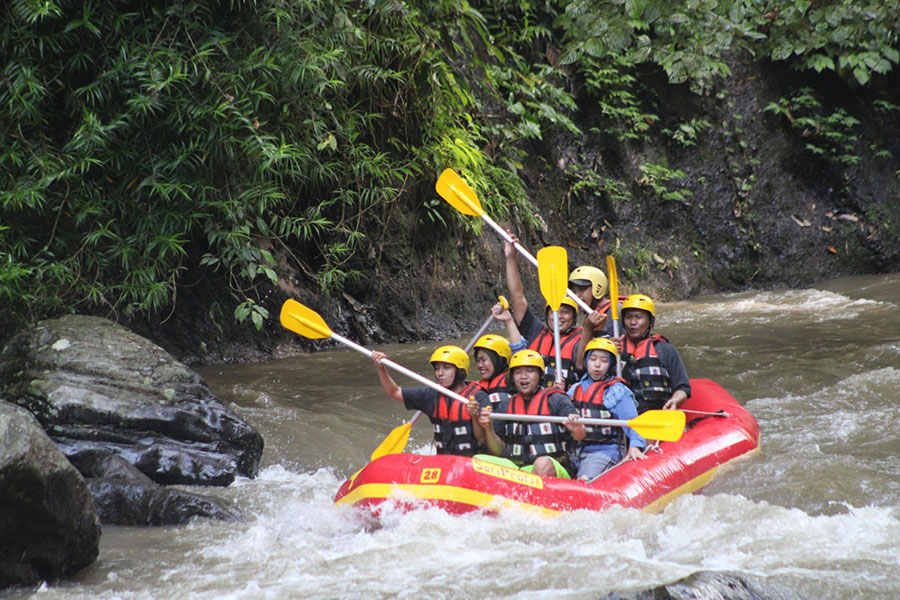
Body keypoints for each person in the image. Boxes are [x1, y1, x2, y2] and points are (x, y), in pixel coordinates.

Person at [472, 349, 579, 478]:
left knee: (542, 464)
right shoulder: (505, 406)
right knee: (477, 461)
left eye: (530, 371)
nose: (523, 376)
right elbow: (498, 450)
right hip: (520, 470)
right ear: (512, 377)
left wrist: (577, 428)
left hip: (555, 468)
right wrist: (488, 429)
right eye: (518, 372)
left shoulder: (556, 399)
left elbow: (579, 435)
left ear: (540, 375)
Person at [371, 345, 486, 456]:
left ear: (460, 372)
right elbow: (394, 392)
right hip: (443, 464)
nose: (440, 373)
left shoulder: (478, 397)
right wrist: (380, 368)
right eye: (437, 368)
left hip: (472, 464)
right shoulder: (431, 395)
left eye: (446, 368)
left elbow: (483, 440)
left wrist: (475, 415)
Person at [504, 237, 583, 389]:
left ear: (574, 318)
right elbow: (517, 297)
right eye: (555, 312)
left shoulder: (581, 340)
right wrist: (511, 258)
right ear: (547, 315)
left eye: (565, 312)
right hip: (535, 402)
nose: (559, 316)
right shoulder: (535, 331)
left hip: (564, 403)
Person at [566, 337, 646, 480]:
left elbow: (633, 423)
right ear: (586, 361)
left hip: (606, 451)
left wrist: (635, 446)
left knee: (584, 480)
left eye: (604, 361)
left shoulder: (618, 391)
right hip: (576, 450)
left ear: (611, 364)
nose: (597, 365)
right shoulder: (574, 389)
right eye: (593, 359)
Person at [617, 294, 691, 414]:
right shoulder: (615, 348)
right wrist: (609, 353)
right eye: (628, 317)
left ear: (650, 321)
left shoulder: (665, 350)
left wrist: (675, 401)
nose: (633, 322)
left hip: (657, 414)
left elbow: (682, 388)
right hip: (624, 417)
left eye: (639, 317)